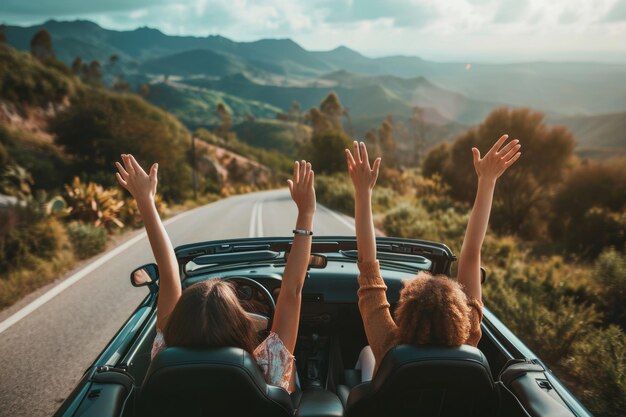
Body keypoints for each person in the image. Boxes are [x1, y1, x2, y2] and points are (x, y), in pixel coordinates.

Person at [115, 154, 316, 393]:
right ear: (241, 326)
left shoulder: (164, 356)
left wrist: (145, 200)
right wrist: (306, 212)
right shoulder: (268, 366)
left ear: (178, 325)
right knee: (292, 379)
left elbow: (168, 276)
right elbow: (292, 291)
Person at [345, 135, 521, 381]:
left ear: (405, 312)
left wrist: (362, 191)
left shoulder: (388, 345)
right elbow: (471, 255)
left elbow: (367, 263)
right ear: (458, 314)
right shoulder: (469, 341)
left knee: (367, 353)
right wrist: (487, 181)